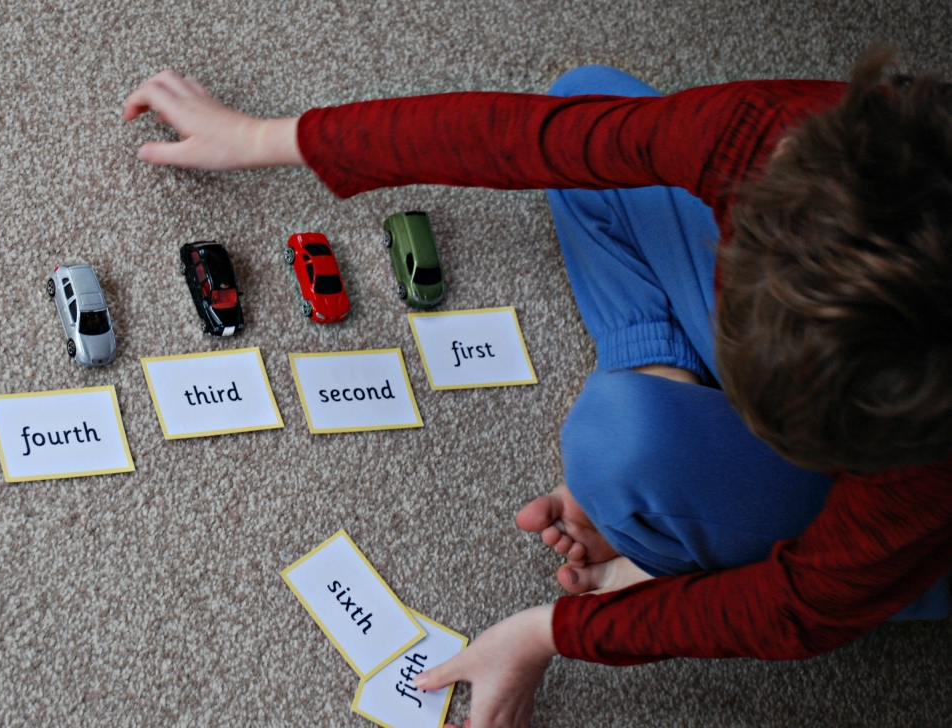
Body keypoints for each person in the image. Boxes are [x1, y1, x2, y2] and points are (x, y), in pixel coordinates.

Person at [123, 47, 952, 728]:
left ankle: (672, 477)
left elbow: (799, 608)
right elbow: (529, 136)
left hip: (915, 527)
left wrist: (553, 631)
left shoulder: (919, 471)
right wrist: (268, 136)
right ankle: (666, 377)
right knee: (589, 99)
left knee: (619, 449)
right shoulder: (772, 135)